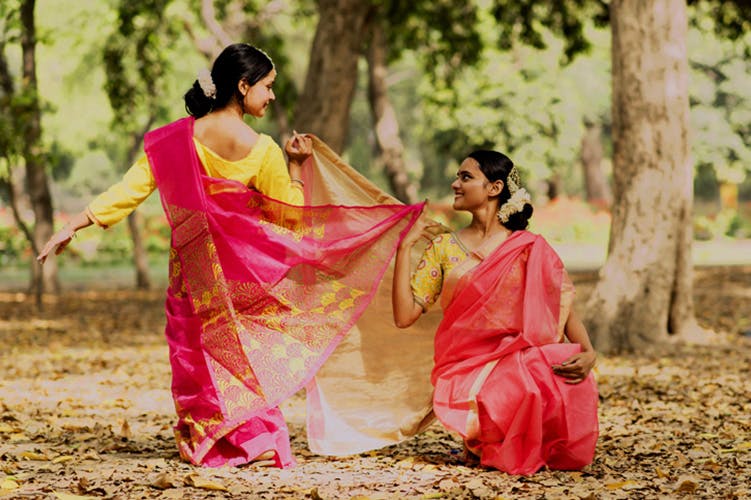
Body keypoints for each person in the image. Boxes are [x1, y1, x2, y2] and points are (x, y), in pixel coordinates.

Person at [37, 43, 424, 468]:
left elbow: (128, 192)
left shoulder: (173, 140)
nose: (272, 96)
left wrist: (73, 224)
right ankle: (252, 440)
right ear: (243, 86)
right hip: (250, 276)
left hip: (194, 275)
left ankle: (213, 440)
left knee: (199, 354)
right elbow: (290, 219)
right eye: (267, 87)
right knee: (246, 353)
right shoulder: (262, 150)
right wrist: (297, 169)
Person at [392, 150, 599, 475]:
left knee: (542, 369)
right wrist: (404, 248)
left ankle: (507, 442)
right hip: (464, 365)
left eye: (465, 177)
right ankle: (487, 437)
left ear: (494, 187)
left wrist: (588, 352)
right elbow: (404, 316)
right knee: (515, 380)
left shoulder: (528, 246)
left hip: (516, 357)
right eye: (457, 176)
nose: (455, 183)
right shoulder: (444, 248)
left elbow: (561, 304)